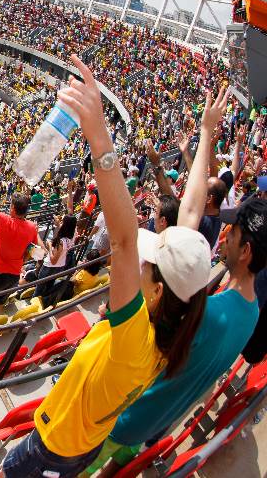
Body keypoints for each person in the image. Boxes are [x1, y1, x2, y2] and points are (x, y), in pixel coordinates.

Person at [0, 56, 210, 478]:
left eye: (149, 265)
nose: (139, 264)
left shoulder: (135, 337)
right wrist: (205, 135)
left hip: (52, 448)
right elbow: (190, 212)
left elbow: (125, 240)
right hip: (79, 444)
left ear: (158, 290)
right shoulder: (169, 325)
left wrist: (98, 137)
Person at [87, 93, 263, 477]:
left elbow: (187, 212)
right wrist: (205, 132)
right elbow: (192, 210)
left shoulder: (199, 311)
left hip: (123, 419)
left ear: (246, 251)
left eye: (232, 235)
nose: (226, 234)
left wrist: (205, 131)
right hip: (157, 425)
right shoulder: (249, 313)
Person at [0, 182, 42, 317]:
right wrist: (22, 260)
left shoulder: (6, 221)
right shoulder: (31, 228)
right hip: (14, 276)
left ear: (12, 208)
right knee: (0, 303)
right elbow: (36, 252)